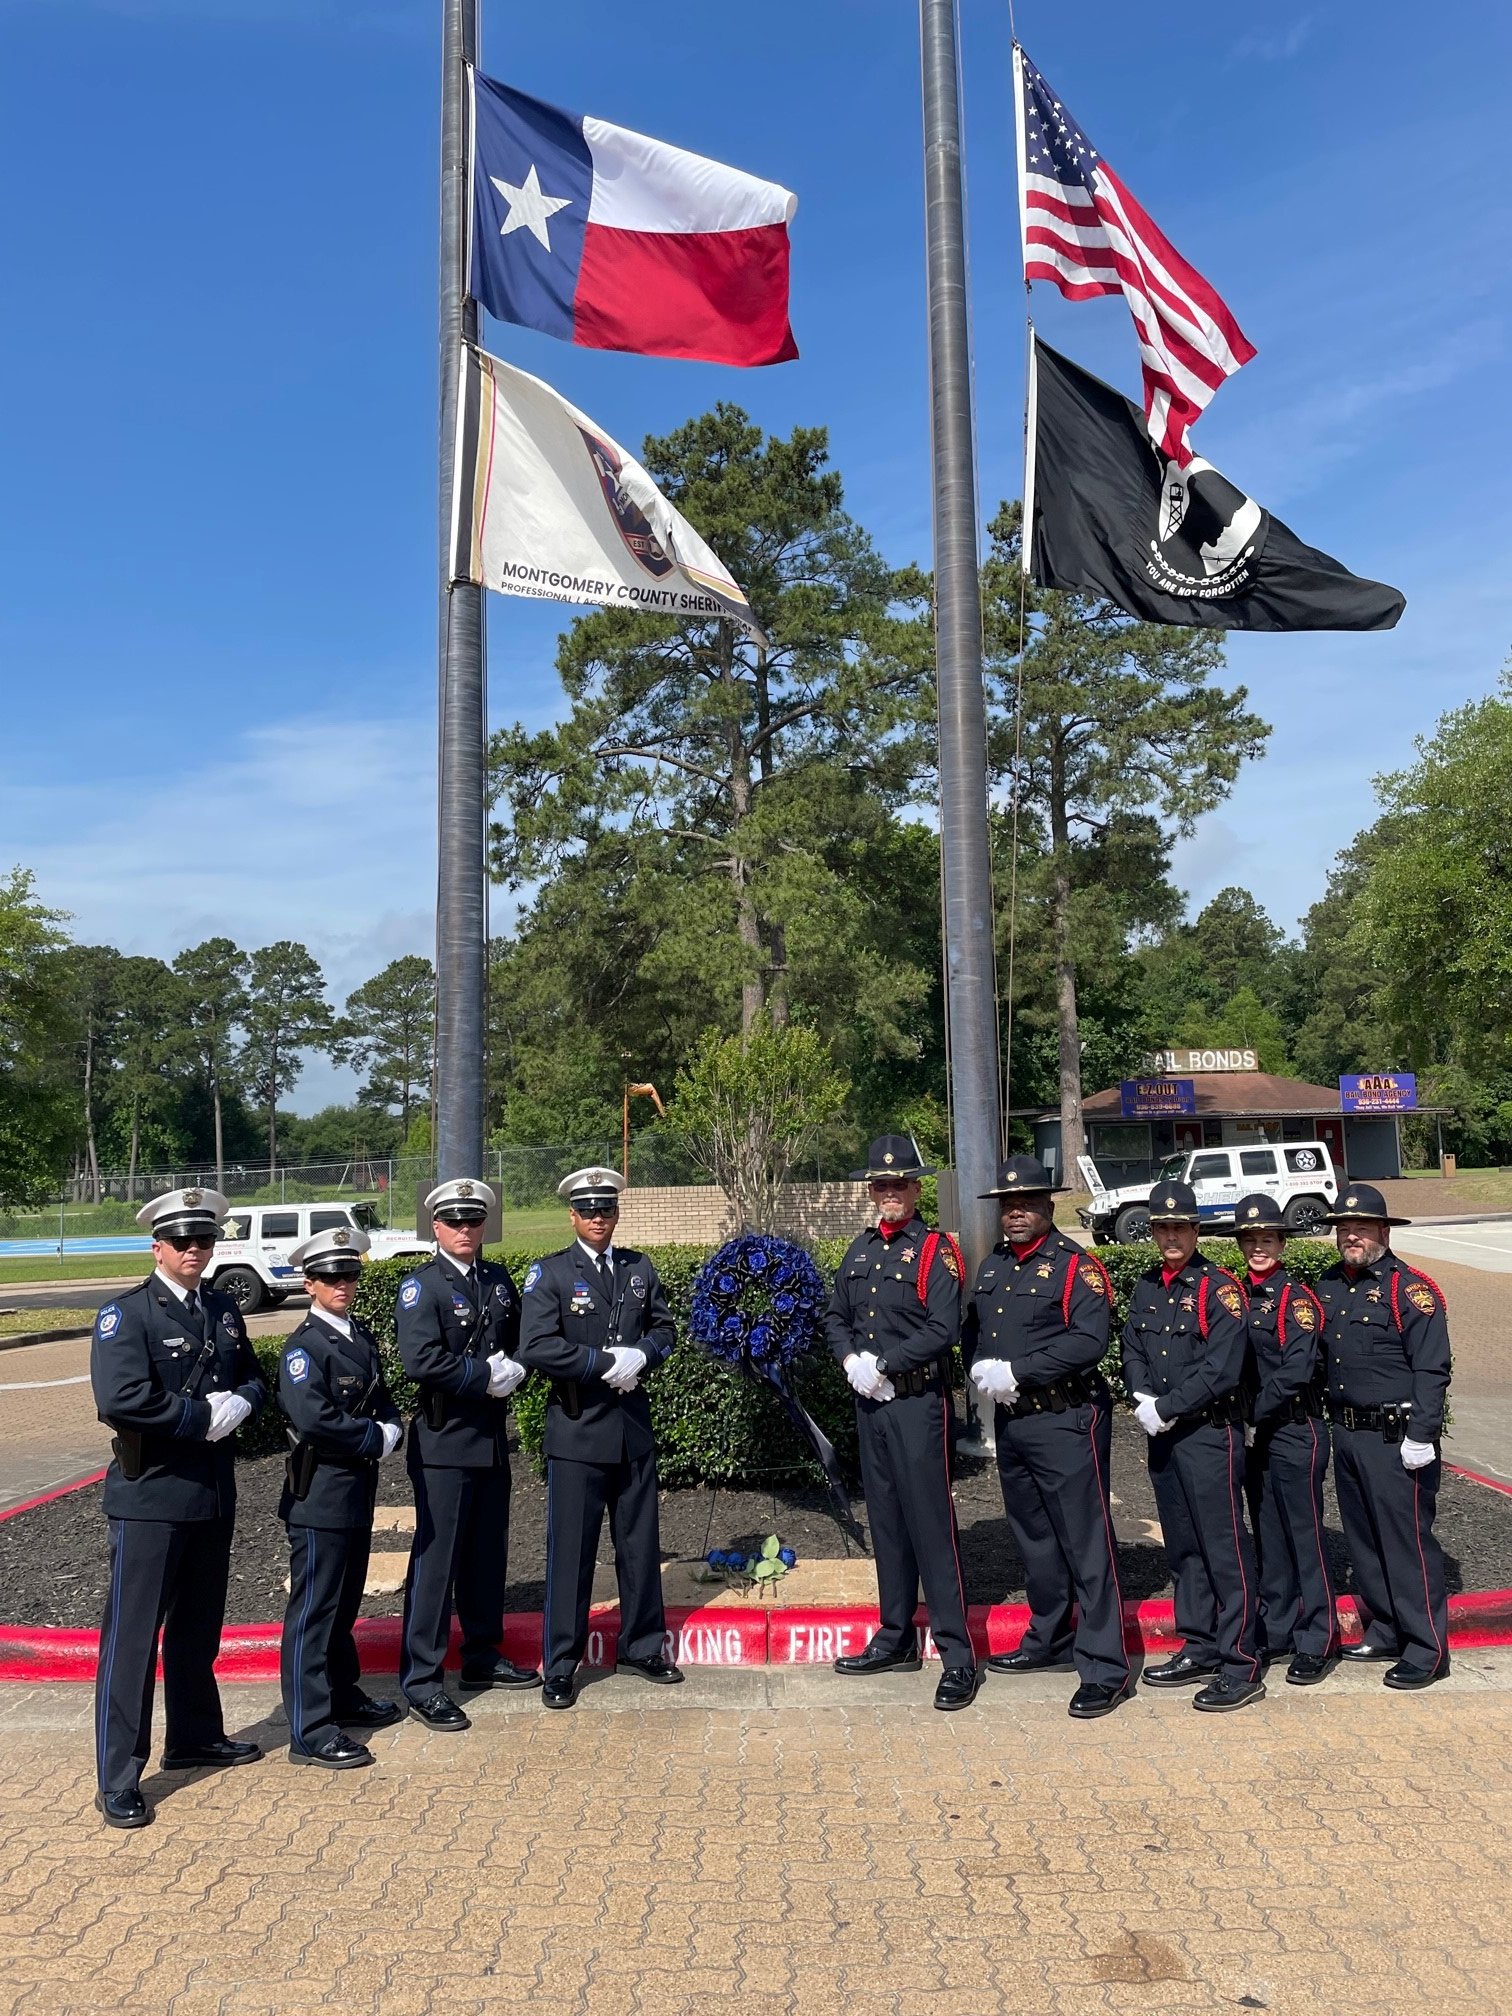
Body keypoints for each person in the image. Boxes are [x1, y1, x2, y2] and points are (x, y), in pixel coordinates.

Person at [90, 1188, 268, 1828]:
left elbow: (249, 1373)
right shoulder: (127, 1315)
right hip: (151, 1496)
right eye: (183, 1240)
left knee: (198, 1630)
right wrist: (199, 1416)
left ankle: (194, 1735)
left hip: (210, 1492)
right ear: (157, 1246)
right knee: (133, 1640)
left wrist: (243, 1401)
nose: (196, 1250)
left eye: (205, 1240)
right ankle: (117, 1776)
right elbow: (120, 1398)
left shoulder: (221, 1308)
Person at [965, 1155, 1129, 1719]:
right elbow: (977, 1331)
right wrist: (981, 1370)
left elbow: (1090, 1340)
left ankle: (1105, 1667)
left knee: (1086, 1542)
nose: (1016, 1213)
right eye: (1008, 1205)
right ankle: (1049, 1637)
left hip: (1066, 1419)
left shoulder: (1074, 1266)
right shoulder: (993, 1266)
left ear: (1048, 1205)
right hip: (1015, 1422)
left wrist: (1019, 1371)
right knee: (1034, 1538)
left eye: (1027, 1203)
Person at [518, 1167, 682, 1709]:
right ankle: (561, 1663)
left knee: (638, 1546)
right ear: (572, 1215)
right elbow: (537, 1346)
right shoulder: (551, 1274)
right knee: (572, 1552)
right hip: (577, 1431)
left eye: (606, 1209)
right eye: (588, 1210)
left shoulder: (639, 1266)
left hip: (631, 1430)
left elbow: (664, 1328)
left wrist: (644, 1355)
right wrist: (601, 1363)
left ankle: (641, 1647)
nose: (598, 1218)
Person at [825, 1135, 979, 1711]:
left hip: (916, 1403)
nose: (889, 1193)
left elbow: (943, 1328)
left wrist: (886, 1364)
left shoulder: (936, 1250)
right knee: (886, 1520)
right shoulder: (860, 1249)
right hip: (872, 1403)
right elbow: (836, 1315)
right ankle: (894, 1637)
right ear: (872, 1192)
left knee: (931, 1526)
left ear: (916, 1189)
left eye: (900, 1184)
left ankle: (956, 1654)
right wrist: (850, 1362)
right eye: (880, 1185)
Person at [396, 1177, 535, 1730]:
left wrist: (518, 1367)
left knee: (485, 1555)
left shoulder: (497, 1280)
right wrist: (484, 1375)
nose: (465, 1230)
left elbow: (525, 1336)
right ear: (436, 1227)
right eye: (454, 1221)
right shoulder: (421, 1287)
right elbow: (420, 1360)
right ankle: (422, 1680)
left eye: (473, 1221)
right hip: (444, 1441)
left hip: (490, 1438)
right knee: (436, 1564)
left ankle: (480, 1655)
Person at [1122, 1181, 1264, 1712]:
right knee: (1183, 1548)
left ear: (1197, 1230)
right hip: (1165, 1435)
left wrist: (1167, 1405)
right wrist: (1140, 1394)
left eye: (1180, 1226)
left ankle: (1241, 1660)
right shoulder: (1146, 1286)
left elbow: (1221, 1369)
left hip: (1207, 1433)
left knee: (1224, 1549)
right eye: (1162, 1227)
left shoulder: (1219, 1288)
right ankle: (1200, 1642)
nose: (1171, 1236)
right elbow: (1133, 1343)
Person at [277, 1226, 405, 1769]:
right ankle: (309, 1729)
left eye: (349, 1274)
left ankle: (342, 1694)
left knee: (343, 1605)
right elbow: (314, 1418)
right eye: (331, 1276)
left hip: (354, 1491)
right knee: (314, 1612)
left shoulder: (358, 1335)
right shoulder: (304, 1348)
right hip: (320, 1494)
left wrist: (393, 1424)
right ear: (309, 1283)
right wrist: (376, 1437)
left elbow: (383, 1397)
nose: (343, 1284)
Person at [1314, 1183, 1451, 1688]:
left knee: (1406, 1545)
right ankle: (1388, 1628)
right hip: (1349, 1435)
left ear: (1384, 1232)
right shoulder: (1329, 1284)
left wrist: (1423, 1434)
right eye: (1344, 1228)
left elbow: (1432, 1369)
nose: (1351, 1236)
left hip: (1397, 1439)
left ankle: (1427, 1647)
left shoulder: (1409, 1289)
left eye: (1362, 1227)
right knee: (1365, 1542)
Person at [1232, 1193, 1338, 1685]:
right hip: (1257, 1434)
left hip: (1295, 1429)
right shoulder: (1234, 1293)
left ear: (1282, 1244)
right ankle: (1277, 1628)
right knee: (1268, 1534)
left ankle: (1317, 1637)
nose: (1258, 1247)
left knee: (1304, 1535)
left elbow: (1297, 1368)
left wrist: (1254, 1412)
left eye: (1267, 1239)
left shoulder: (1295, 1299)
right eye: (1250, 1239)